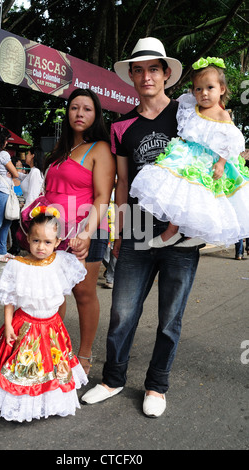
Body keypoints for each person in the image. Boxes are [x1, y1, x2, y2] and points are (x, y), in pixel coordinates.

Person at [81, 37, 200, 418]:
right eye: (139, 69)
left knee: (170, 317)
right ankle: (113, 378)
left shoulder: (186, 115)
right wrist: (118, 231)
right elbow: (121, 183)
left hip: (182, 236)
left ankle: (156, 385)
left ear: (166, 73)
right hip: (136, 232)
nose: (146, 75)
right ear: (131, 76)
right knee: (123, 312)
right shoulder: (121, 127)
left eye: (154, 68)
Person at [17, 89, 116, 374]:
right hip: (53, 234)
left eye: (86, 109)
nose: (80, 114)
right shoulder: (59, 151)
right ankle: (53, 351)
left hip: (86, 231)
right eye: (74, 108)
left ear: (96, 114)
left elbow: (102, 196)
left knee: (84, 294)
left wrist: (85, 233)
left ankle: (84, 356)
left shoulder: (99, 149)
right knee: (53, 294)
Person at [0, 208, 88, 422]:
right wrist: (7, 326)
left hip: (53, 326)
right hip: (25, 325)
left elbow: (78, 272)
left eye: (47, 242)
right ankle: (21, 405)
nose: (41, 247)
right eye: (36, 241)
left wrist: (77, 249)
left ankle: (47, 403)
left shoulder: (61, 261)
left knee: (51, 368)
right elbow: (9, 300)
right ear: (27, 238)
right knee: (23, 369)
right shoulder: (17, 266)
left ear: (57, 241)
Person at [130, 56, 247, 248]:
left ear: (222, 89)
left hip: (208, 161)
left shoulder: (221, 113)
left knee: (202, 199)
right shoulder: (191, 107)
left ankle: (197, 233)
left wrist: (221, 162)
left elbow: (230, 140)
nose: (204, 93)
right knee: (180, 195)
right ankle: (171, 231)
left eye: (210, 88)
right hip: (187, 156)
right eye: (198, 89)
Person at [0, 126, 26, 262]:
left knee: (5, 222)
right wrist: (11, 173)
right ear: (0, 140)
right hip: (3, 190)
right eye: (6, 140)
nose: (7, 142)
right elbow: (14, 173)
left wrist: (9, 172)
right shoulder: (4, 155)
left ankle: (2, 251)